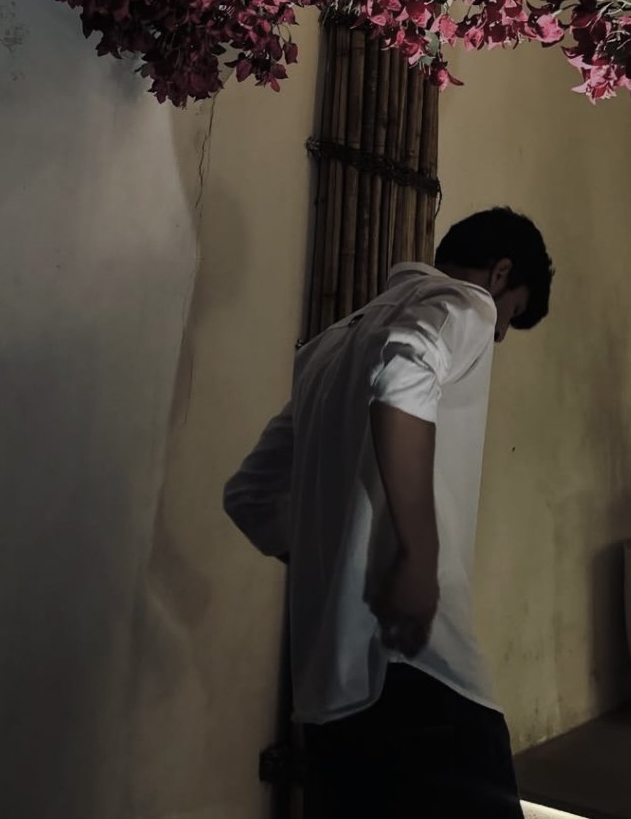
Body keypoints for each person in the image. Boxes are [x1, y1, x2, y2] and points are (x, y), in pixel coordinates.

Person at [223, 206, 554, 819]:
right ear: (501, 274)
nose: (500, 333)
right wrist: (416, 556)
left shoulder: (328, 347)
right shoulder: (468, 304)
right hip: (419, 666)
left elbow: (249, 496)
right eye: (512, 314)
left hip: (328, 694)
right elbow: (405, 369)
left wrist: (346, 567)